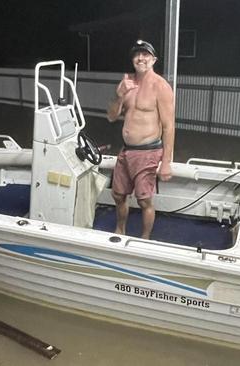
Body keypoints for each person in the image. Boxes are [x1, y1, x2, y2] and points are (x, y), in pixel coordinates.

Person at [106, 40, 175, 239]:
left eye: (145, 54)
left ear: (153, 60)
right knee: (118, 195)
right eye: (137, 54)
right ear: (133, 59)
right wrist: (119, 96)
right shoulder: (127, 84)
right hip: (126, 151)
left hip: (148, 152)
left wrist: (166, 163)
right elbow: (111, 117)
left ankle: (145, 239)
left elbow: (169, 126)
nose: (141, 58)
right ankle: (120, 230)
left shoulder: (160, 86)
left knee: (144, 200)